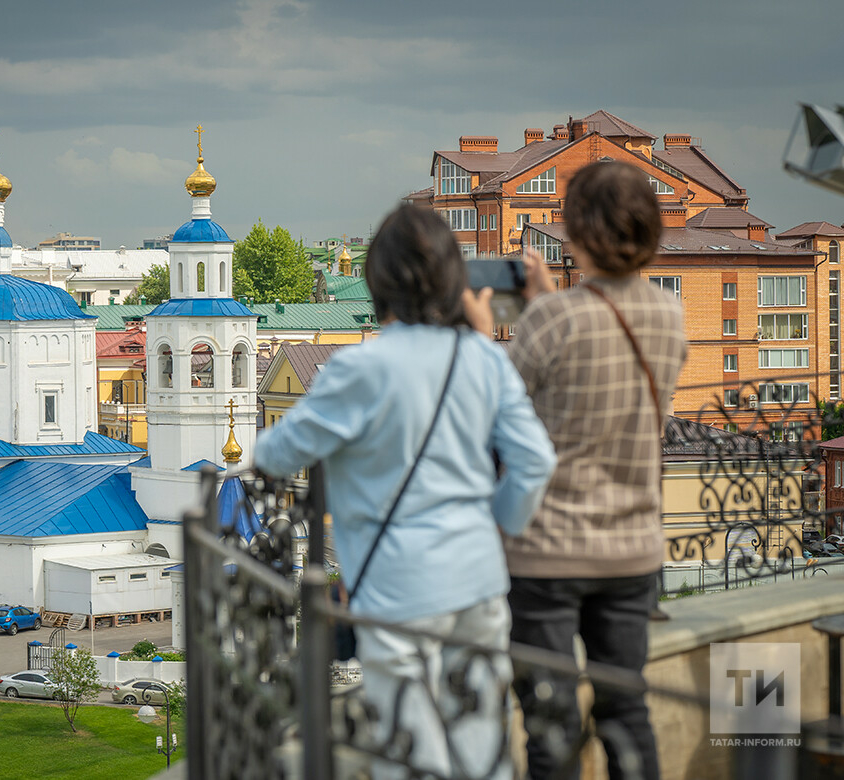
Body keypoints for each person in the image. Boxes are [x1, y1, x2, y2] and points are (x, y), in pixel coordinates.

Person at [254, 204, 556, 779]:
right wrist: (499, 527)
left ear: (377, 281)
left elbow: (274, 455)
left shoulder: (358, 368)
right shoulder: (483, 357)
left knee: (413, 757)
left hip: (396, 591)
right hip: (478, 581)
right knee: (484, 751)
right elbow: (535, 461)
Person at [465, 161, 687, 780]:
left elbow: (497, 407)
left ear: (580, 233)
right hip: (632, 551)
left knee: (551, 721)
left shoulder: (553, 318)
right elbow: (600, 355)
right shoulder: (670, 313)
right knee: (627, 710)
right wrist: (549, 301)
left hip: (548, 554)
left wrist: (484, 335)